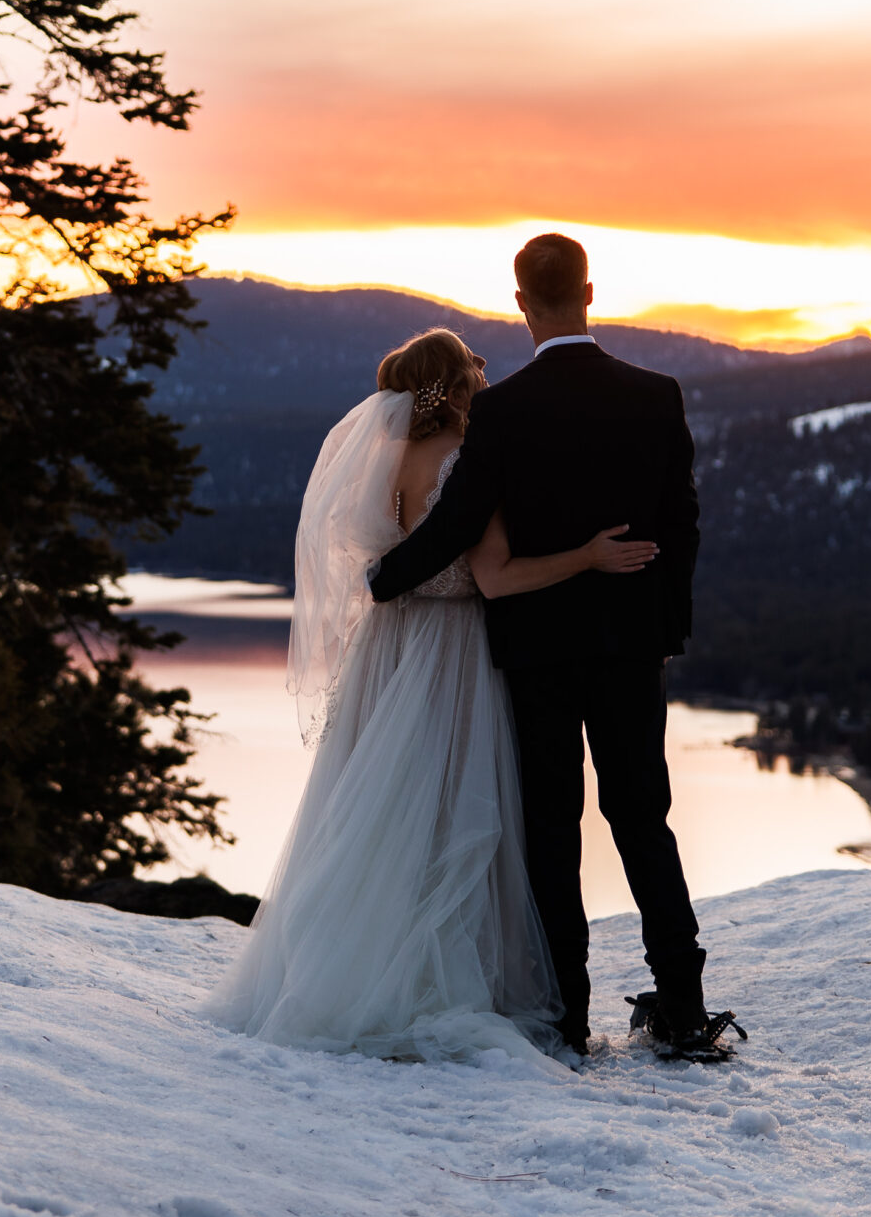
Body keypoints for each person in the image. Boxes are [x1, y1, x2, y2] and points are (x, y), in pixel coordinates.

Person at [202, 326, 657, 1063]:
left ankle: (342, 968)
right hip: (450, 653)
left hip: (386, 651)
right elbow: (498, 578)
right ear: (455, 386)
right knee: (453, 819)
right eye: (475, 372)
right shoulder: (459, 463)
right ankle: (439, 979)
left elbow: (378, 568)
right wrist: (589, 557)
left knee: (380, 814)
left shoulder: (381, 462)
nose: (484, 382)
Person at [371, 234, 735, 1061]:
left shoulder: (503, 410)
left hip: (535, 650)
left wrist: (382, 581)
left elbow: (459, 524)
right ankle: (682, 1009)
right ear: (589, 292)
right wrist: (663, 630)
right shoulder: (655, 393)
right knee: (644, 821)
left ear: (521, 304)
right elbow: (681, 524)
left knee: (551, 830)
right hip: (631, 646)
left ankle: (565, 1020)